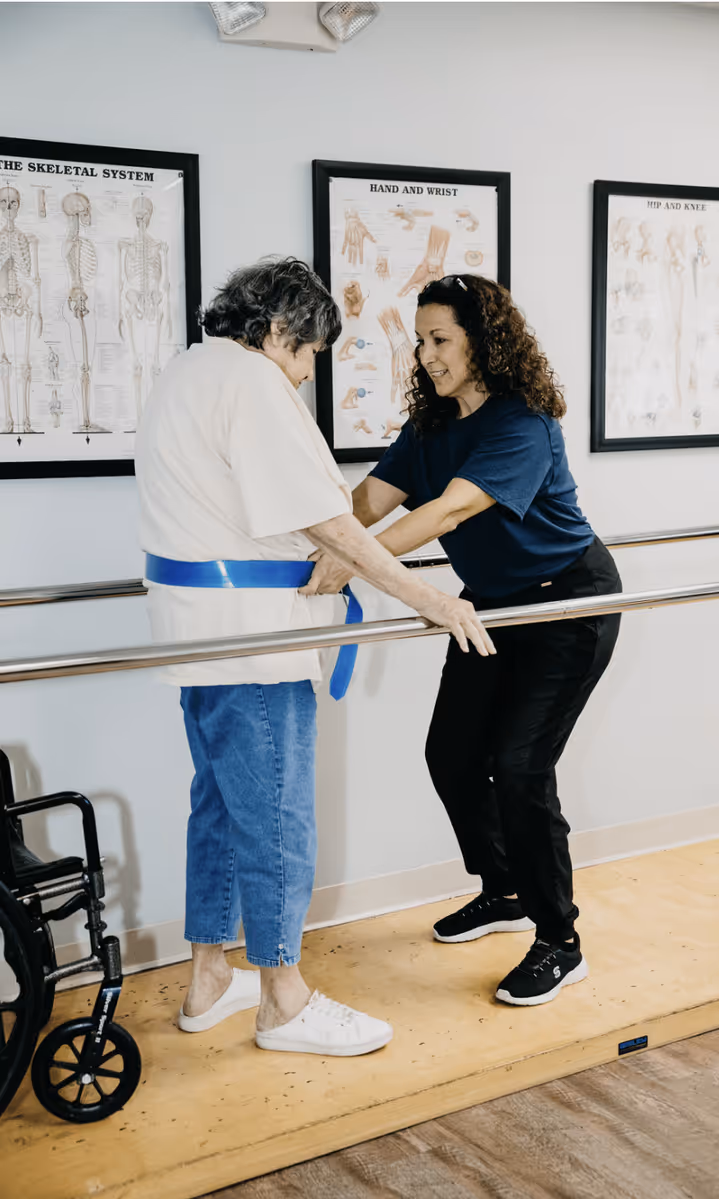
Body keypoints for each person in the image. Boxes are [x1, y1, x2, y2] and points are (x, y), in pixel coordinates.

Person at [135, 258, 494, 1057]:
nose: (303, 374)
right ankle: (283, 1000)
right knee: (278, 815)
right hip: (255, 640)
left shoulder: (188, 371)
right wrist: (431, 598)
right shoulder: (252, 382)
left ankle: (207, 979)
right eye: (305, 355)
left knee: (222, 806)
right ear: (274, 332)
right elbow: (330, 522)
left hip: (199, 635)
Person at [303, 274, 622, 1008]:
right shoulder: (432, 428)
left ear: (484, 340)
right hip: (491, 607)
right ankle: (504, 888)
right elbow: (364, 504)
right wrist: (307, 535)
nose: (426, 354)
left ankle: (559, 940)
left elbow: (448, 513)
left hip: (567, 604)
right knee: (449, 752)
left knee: (518, 766)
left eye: (440, 338)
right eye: (420, 340)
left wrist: (354, 557)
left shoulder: (524, 423)